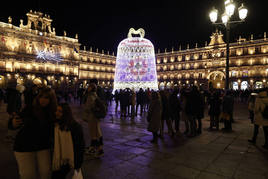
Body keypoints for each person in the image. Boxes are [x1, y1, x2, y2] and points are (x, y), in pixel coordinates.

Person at [8, 87, 57, 179]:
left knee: (46, 173)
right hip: (24, 146)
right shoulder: (30, 108)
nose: (43, 100)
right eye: (41, 96)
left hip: (43, 146)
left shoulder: (54, 113)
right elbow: (16, 121)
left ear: (51, 100)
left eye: (46, 98)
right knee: (28, 175)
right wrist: (13, 123)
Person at [52, 103, 85, 179]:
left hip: (69, 160)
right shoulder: (56, 125)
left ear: (66, 113)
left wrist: (78, 163)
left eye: (60, 111)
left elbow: (80, 146)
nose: (56, 113)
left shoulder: (75, 127)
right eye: (56, 111)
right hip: (59, 160)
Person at [83, 83, 104, 157]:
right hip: (95, 117)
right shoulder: (95, 95)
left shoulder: (90, 96)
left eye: (89, 87)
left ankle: (99, 150)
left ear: (91, 88)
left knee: (94, 134)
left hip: (92, 117)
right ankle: (93, 148)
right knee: (97, 132)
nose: (87, 88)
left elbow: (89, 107)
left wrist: (86, 109)